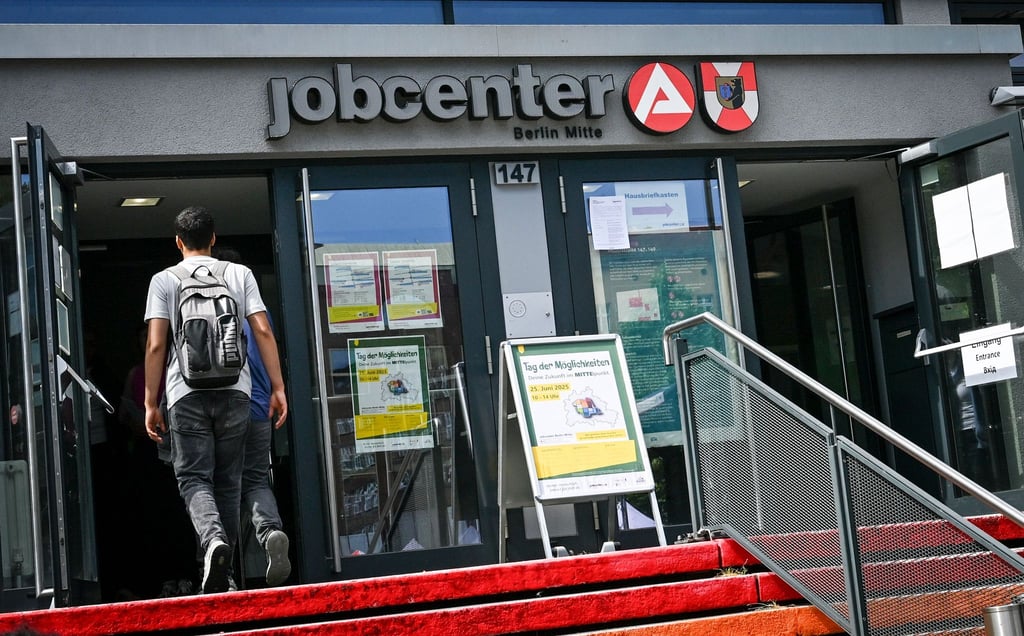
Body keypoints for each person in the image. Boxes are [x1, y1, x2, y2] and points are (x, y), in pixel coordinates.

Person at [143, 206, 288, 594]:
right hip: (236, 393)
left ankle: (212, 543)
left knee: (193, 476)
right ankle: (224, 573)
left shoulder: (164, 280)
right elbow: (262, 330)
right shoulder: (239, 274)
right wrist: (277, 386)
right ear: (214, 238)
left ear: (178, 242)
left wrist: (150, 402)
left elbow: (157, 345)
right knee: (230, 480)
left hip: (185, 394)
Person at [214, 246, 291, 587]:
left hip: (224, 410)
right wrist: (278, 389)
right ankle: (271, 531)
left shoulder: (210, 310)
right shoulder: (261, 313)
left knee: (221, 487)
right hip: (260, 408)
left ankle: (223, 570)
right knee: (256, 480)